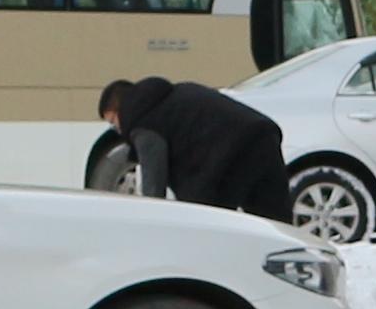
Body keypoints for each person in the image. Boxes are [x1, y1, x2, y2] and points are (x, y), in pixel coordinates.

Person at [98, 74, 295, 226]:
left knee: (207, 225)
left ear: (120, 110)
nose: (118, 131)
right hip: (263, 136)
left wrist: (151, 220)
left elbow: (154, 184)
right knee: (274, 227)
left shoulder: (142, 122)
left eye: (113, 123)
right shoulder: (175, 95)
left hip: (230, 157)